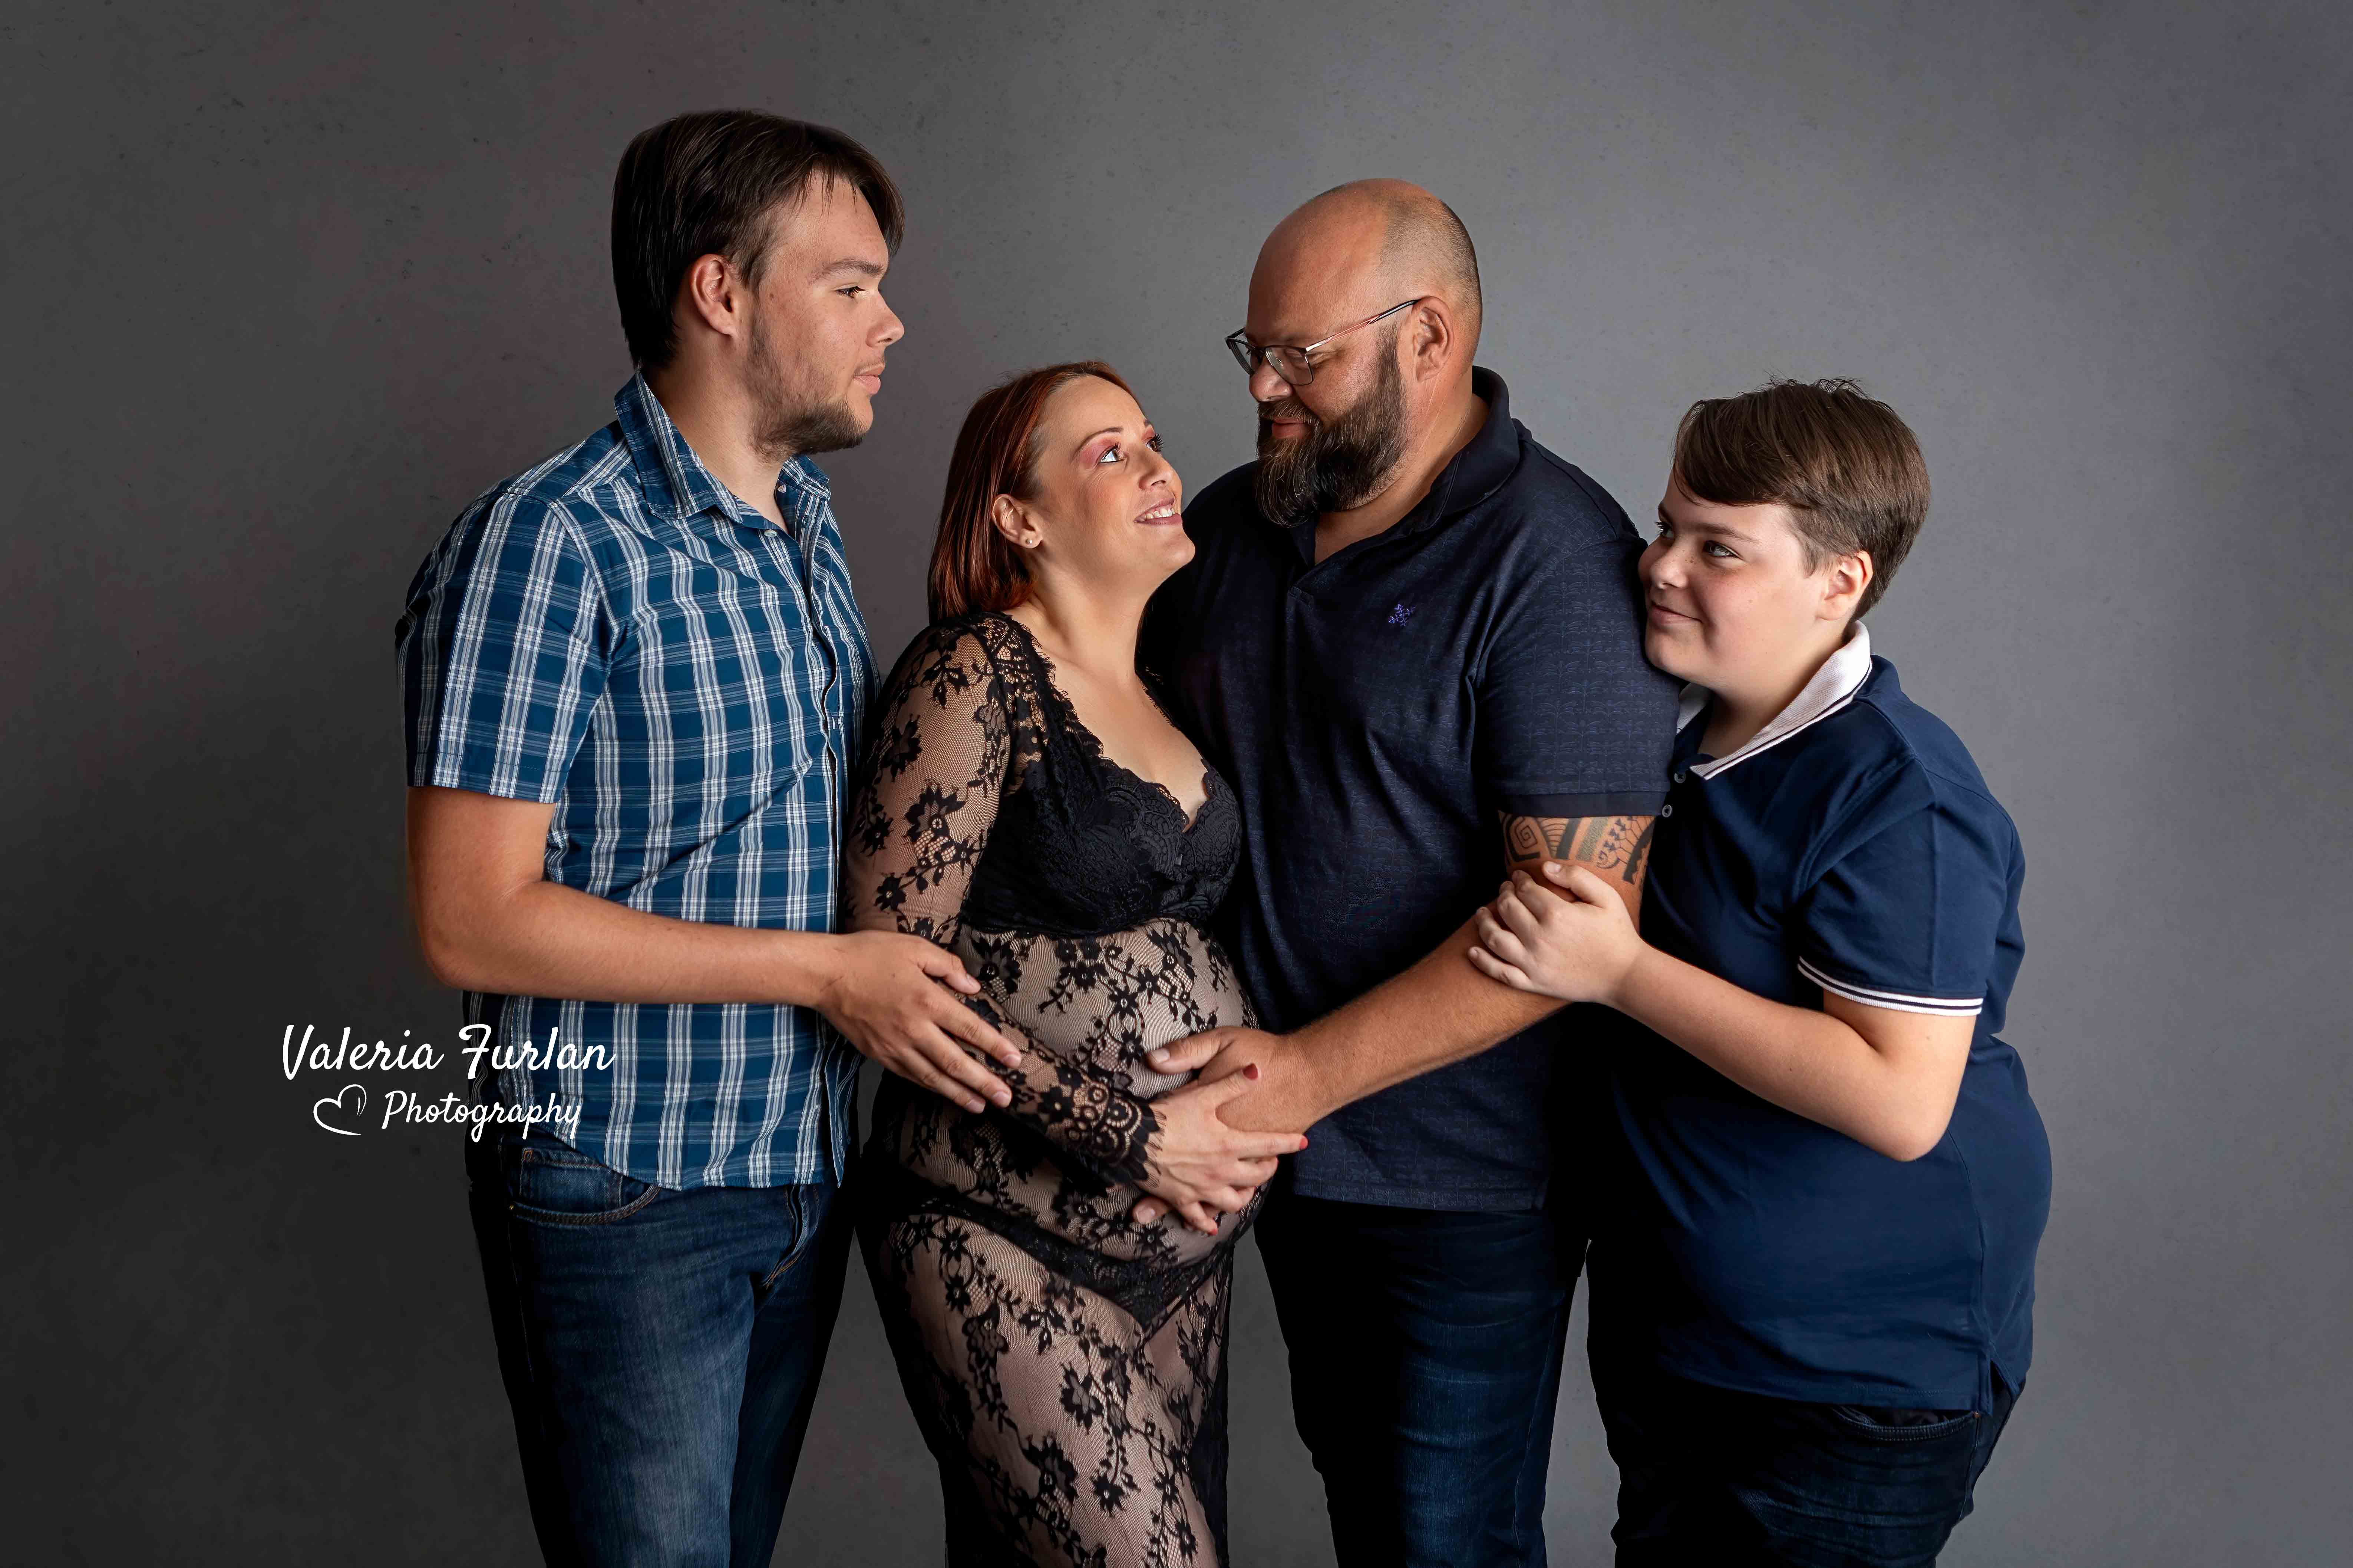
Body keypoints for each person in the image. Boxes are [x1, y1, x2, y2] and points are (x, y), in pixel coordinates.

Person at [395, 111, 1029, 1567]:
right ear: (721, 292)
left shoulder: (802, 522)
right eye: (851, 284)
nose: (894, 321)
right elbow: (468, 918)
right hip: (628, 1190)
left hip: (796, 1170)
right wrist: (824, 973)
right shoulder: (550, 542)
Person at [1136, 181, 1682, 1564]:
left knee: (1440, 1546)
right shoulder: (1230, 530)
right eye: (1249, 353)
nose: (1264, 388)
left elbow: (1576, 918)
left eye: (1300, 357)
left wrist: (1305, 1075)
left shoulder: (1553, 562)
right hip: (1256, 1158)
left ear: (1426, 338)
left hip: (1459, 1189)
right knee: (1360, 1519)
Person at [1469, 380, 2052, 1565]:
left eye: (1718, 548)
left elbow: (1898, 1099)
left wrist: (1619, 974)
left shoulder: (1897, 794)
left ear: (1839, 581)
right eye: (1666, 525)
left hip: (1852, 1373)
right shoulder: (1675, 735)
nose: (1662, 566)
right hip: (1689, 1343)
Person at [842, 361, 1305, 1566]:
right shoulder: (971, 673)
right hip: (994, 1229)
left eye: (1150, 439)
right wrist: (1141, 1136)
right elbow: (893, 983)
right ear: (1019, 517)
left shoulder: (1158, 694)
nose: (1160, 468)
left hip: (1184, 1263)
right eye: (1107, 452)